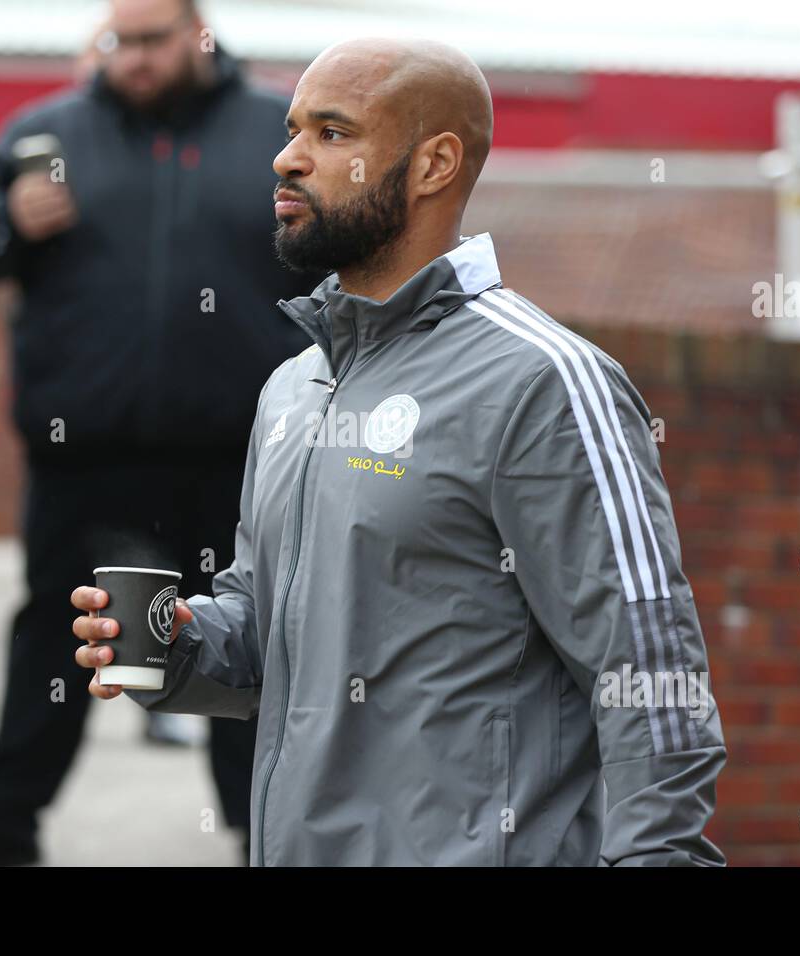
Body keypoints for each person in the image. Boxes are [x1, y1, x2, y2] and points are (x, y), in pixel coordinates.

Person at [74, 37, 728, 866]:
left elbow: (650, 668)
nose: (287, 159)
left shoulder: (546, 383)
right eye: (292, 129)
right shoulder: (293, 386)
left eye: (332, 133)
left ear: (434, 165)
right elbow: (266, 633)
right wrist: (176, 645)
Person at [0, 0, 317, 866]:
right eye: (120, 41)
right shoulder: (48, 131)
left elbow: (336, 248)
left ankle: (263, 842)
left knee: (246, 651)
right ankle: (1, 832)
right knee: (57, 649)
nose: (134, 59)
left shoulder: (276, 132)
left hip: (239, 460)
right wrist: (6, 220)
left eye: (153, 40)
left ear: (196, 35)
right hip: (86, 457)